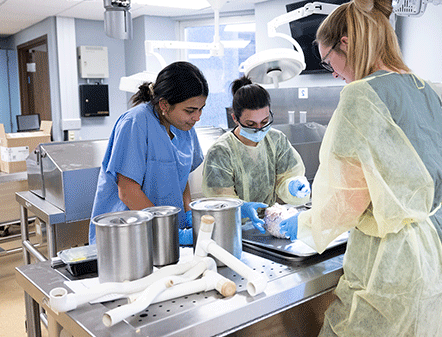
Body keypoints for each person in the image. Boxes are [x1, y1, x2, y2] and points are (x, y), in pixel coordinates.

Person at [278, 0, 442, 337]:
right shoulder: (425, 90)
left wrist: (293, 225)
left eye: (329, 62)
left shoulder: (361, 97)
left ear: (345, 43)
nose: (334, 74)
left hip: (395, 267)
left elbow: (348, 201)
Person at [89, 61, 208, 246]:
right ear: (164, 105)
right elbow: (128, 192)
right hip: (129, 236)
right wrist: (166, 230)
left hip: (168, 233)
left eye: (201, 109)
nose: (197, 117)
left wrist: (189, 213)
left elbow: (182, 176)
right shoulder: (135, 123)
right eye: (190, 110)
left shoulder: (184, 126)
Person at [202, 76, 311, 233]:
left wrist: (293, 186)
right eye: (251, 124)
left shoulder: (276, 140)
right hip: (232, 229)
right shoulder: (221, 151)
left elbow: (286, 179)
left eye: (265, 121)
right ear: (235, 118)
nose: (260, 129)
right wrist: (241, 209)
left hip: (269, 224)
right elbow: (220, 202)